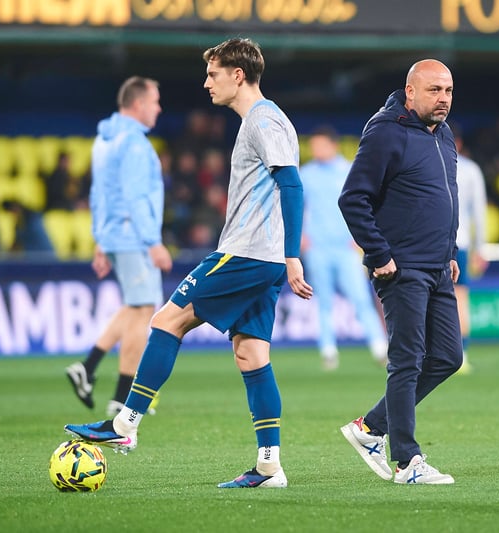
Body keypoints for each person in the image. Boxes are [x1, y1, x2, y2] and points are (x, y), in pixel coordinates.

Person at [64, 38, 313, 489]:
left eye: (213, 74)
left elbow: (292, 186)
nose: (206, 83)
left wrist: (292, 254)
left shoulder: (263, 120)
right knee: (251, 354)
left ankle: (124, 424)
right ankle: (269, 466)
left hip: (247, 253)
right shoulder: (265, 119)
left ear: (238, 75)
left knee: (166, 321)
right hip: (265, 258)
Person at [337, 59, 462, 485]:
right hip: (401, 266)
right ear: (410, 92)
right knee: (407, 360)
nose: (443, 99)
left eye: (448, 90)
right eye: (434, 90)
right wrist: (378, 254)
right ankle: (407, 462)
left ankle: (371, 427)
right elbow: (352, 199)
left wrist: (450, 249)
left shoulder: (443, 134)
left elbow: (446, 195)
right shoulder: (385, 131)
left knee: (447, 357)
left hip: (438, 265)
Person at [65, 76, 173, 418]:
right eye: (154, 101)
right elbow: (135, 196)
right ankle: (118, 392)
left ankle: (90, 370)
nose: (158, 108)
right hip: (134, 236)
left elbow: (99, 193)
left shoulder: (104, 139)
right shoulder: (135, 144)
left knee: (134, 306)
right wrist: (153, 241)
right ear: (138, 104)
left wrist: (101, 239)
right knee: (143, 311)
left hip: (115, 233)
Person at [300, 126, 388, 370]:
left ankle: (379, 347)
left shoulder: (349, 170)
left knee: (361, 298)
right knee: (323, 301)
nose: (316, 150)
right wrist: (300, 237)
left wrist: (363, 236)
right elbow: (295, 208)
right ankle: (328, 351)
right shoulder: (305, 175)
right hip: (317, 247)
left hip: (346, 248)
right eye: (314, 146)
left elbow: (369, 204)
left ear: (333, 145)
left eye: (320, 145)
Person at [453, 139, 489, 374]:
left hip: (434, 243)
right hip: (461, 242)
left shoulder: (422, 162)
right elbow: (479, 211)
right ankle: (461, 354)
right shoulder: (470, 169)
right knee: (460, 298)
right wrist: (480, 248)